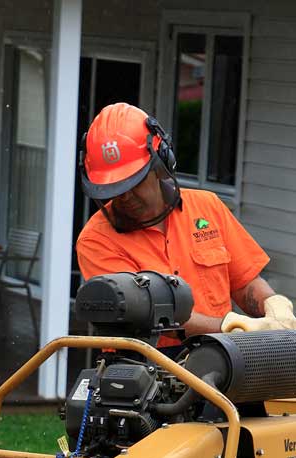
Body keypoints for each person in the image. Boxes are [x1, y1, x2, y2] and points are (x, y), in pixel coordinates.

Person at [75, 103, 296, 347]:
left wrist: (272, 306)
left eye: (133, 183)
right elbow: (152, 315)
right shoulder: (96, 240)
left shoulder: (207, 206)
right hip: (150, 371)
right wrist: (230, 328)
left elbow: (244, 282)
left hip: (225, 359)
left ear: (161, 163)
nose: (125, 196)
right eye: (114, 188)